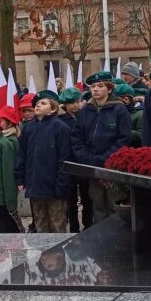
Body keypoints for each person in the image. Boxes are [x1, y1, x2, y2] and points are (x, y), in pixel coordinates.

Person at [71, 72, 132, 221]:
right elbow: (76, 138)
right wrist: (87, 158)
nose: (95, 89)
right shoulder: (85, 110)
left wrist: (105, 158)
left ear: (109, 89)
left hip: (113, 167)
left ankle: (117, 239)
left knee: (114, 204)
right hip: (93, 167)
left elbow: (124, 139)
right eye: (92, 86)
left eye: (100, 86)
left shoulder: (119, 110)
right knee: (97, 204)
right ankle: (100, 238)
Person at [15, 89, 72, 233]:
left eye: (43, 103)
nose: (38, 105)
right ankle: (44, 254)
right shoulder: (28, 128)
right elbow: (22, 154)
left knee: (57, 222)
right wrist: (20, 177)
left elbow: (64, 159)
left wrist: (61, 184)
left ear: (53, 109)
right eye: (37, 103)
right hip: (35, 185)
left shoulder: (60, 128)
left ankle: (58, 254)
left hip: (53, 186)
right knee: (40, 222)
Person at [58, 87, 91, 232]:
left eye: (77, 101)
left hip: (83, 162)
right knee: (70, 200)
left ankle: (88, 224)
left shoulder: (85, 116)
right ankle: (74, 227)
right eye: (71, 103)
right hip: (69, 163)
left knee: (87, 198)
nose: (75, 105)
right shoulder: (61, 120)